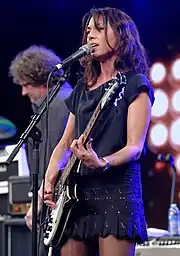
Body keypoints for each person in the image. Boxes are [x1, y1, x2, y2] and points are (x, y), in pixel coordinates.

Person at [41, 7, 155, 256]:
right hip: (76, 196)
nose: (90, 36)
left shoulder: (136, 84)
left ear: (122, 36)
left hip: (116, 194)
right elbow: (65, 142)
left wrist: (101, 161)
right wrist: (50, 176)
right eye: (88, 31)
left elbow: (134, 147)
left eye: (99, 29)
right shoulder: (83, 88)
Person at [8, 45, 72, 256]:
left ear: (42, 80)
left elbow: (55, 161)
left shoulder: (59, 105)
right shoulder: (55, 103)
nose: (23, 92)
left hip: (59, 207)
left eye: (26, 85)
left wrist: (36, 205)